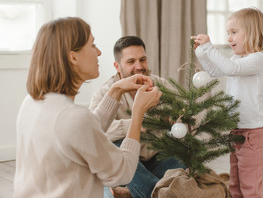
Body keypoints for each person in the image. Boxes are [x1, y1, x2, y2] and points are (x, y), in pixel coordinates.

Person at [13, 17, 162, 198]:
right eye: (93, 45)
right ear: (73, 57)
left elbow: (84, 131)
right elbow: (122, 172)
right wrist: (138, 113)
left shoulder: (31, 102)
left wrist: (117, 89)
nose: (99, 52)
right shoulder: (73, 117)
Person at [89, 36, 185, 198]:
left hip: (158, 156)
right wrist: (139, 123)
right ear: (117, 66)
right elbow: (95, 131)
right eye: (131, 61)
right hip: (128, 163)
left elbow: (183, 118)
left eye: (142, 59)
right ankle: (153, 192)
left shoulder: (161, 85)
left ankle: (130, 192)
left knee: (183, 168)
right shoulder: (105, 92)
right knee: (117, 147)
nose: (139, 66)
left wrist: (175, 119)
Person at [193, 7, 263, 198]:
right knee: (235, 185)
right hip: (236, 130)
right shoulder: (237, 58)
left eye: (234, 33)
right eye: (228, 33)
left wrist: (210, 47)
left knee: (250, 187)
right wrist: (202, 53)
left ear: (252, 33)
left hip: (253, 133)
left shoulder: (258, 59)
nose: (229, 38)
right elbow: (216, 70)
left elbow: (231, 69)